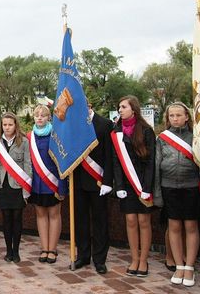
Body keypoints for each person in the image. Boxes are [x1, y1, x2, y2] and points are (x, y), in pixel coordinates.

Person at [153, 102, 199, 286]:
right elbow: (157, 166)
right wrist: (157, 193)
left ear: (187, 117)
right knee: (174, 226)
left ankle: (189, 267)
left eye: (179, 115)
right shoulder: (162, 138)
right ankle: (179, 265)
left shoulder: (195, 137)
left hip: (191, 186)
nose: (175, 119)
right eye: (171, 116)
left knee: (191, 226)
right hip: (169, 187)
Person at [112, 95, 156, 277]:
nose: (120, 110)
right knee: (130, 220)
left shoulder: (146, 130)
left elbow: (151, 162)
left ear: (134, 109)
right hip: (126, 184)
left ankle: (144, 260)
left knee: (143, 221)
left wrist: (147, 188)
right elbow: (116, 161)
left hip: (143, 183)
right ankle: (135, 258)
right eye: (119, 107)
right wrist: (119, 186)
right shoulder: (116, 131)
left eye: (123, 107)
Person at [72, 101, 114, 274]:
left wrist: (108, 181)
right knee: (80, 220)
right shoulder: (73, 125)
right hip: (78, 181)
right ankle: (83, 256)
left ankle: (99, 259)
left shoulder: (105, 124)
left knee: (100, 221)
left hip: (98, 182)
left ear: (89, 106)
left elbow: (110, 155)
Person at [0, 112, 32, 263]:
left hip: (18, 185)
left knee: (17, 218)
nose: (7, 127)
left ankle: (16, 251)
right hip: (2, 186)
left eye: (10, 125)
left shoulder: (24, 142)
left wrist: (27, 189)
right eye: (4, 124)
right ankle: (8, 251)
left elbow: (27, 164)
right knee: (6, 219)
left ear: (15, 125)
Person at [28, 105, 67, 265]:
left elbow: (62, 162)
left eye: (43, 115)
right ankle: (44, 248)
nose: (39, 118)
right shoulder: (29, 137)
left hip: (53, 182)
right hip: (36, 183)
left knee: (54, 214)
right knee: (41, 215)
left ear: (49, 117)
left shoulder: (56, 136)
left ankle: (52, 249)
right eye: (37, 115)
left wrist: (62, 186)